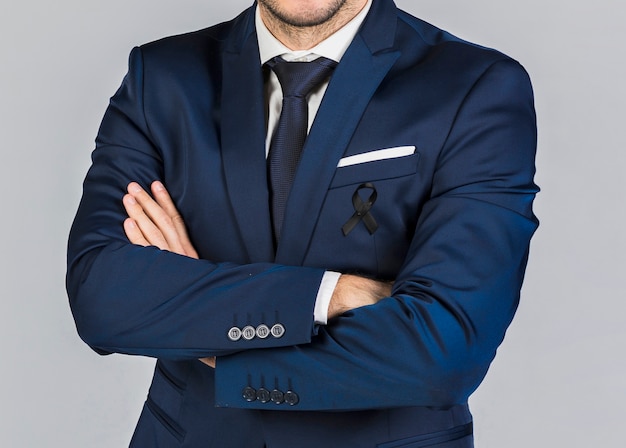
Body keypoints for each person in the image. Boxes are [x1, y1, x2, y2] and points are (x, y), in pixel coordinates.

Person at [67, 0, 539, 446]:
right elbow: (102, 297)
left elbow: (443, 351)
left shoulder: (475, 86)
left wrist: (207, 340)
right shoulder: (162, 78)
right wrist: (330, 294)